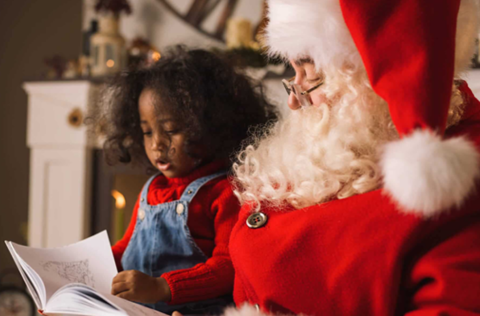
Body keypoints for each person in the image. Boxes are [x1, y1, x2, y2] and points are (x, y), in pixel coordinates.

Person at [222, 0, 480, 315]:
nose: (293, 100)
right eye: (294, 71)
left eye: (308, 71)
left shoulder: (454, 183)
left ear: (372, 70)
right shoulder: (358, 142)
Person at [98, 47, 276, 315]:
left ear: (211, 126)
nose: (157, 144)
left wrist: (163, 287)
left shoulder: (224, 192)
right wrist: (90, 268)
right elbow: (126, 248)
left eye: (171, 130)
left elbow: (229, 265)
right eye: (147, 132)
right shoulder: (152, 190)